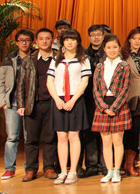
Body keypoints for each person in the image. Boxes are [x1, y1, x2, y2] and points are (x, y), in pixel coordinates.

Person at [46, 29, 91, 185]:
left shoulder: (83, 59)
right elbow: (49, 81)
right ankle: (63, 171)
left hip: (75, 99)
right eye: (66, 39)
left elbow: (84, 81)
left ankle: (73, 171)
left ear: (78, 41)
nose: (69, 42)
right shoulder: (56, 59)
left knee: (73, 136)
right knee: (61, 136)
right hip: (58, 99)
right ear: (62, 42)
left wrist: (73, 100)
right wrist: (56, 99)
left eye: (73, 39)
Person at [16, 28, 58, 182]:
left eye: (47, 38)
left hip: (52, 103)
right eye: (41, 39)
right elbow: (21, 83)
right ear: (36, 41)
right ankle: (31, 170)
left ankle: (49, 168)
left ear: (52, 40)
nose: (44, 41)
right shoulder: (29, 59)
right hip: (32, 104)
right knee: (31, 139)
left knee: (50, 138)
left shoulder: (59, 58)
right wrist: (21, 104)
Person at [92, 34, 131, 183]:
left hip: (118, 106)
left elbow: (126, 88)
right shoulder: (99, 66)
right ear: (104, 49)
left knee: (117, 141)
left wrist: (114, 108)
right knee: (106, 142)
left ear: (119, 48)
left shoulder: (124, 66)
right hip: (102, 106)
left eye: (115, 47)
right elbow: (95, 89)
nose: (112, 50)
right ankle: (109, 170)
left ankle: (116, 171)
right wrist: (103, 107)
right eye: (109, 47)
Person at [0, 29, 33, 180]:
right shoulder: (8, 60)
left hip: (29, 104)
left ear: (31, 42)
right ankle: (9, 168)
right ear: (17, 42)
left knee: (29, 138)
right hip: (12, 104)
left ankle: (29, 168)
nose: (24, 43)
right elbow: (0, 83)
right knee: (12, 138)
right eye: (21, 40)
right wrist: (2, 102)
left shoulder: (34, 58)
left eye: (27, 40)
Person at [79, 24, 107, 178]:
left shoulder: (108, 53)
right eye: (93, 35)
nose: (96, 38)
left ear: (103, 36)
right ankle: (91, 165)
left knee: (105, 132)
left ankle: (105, 164)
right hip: (87, 98)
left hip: (105, 99)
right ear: (89, 37)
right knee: (89, 132)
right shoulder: (83, 54)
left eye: (99, 35)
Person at [121, 28, 140, 176]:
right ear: (129, 40)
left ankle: (130, 164)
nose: (137, 41)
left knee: (135, 132)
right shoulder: (122, 55)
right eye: (134, 38)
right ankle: (122, 163)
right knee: (125, 132)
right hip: (126, 97)